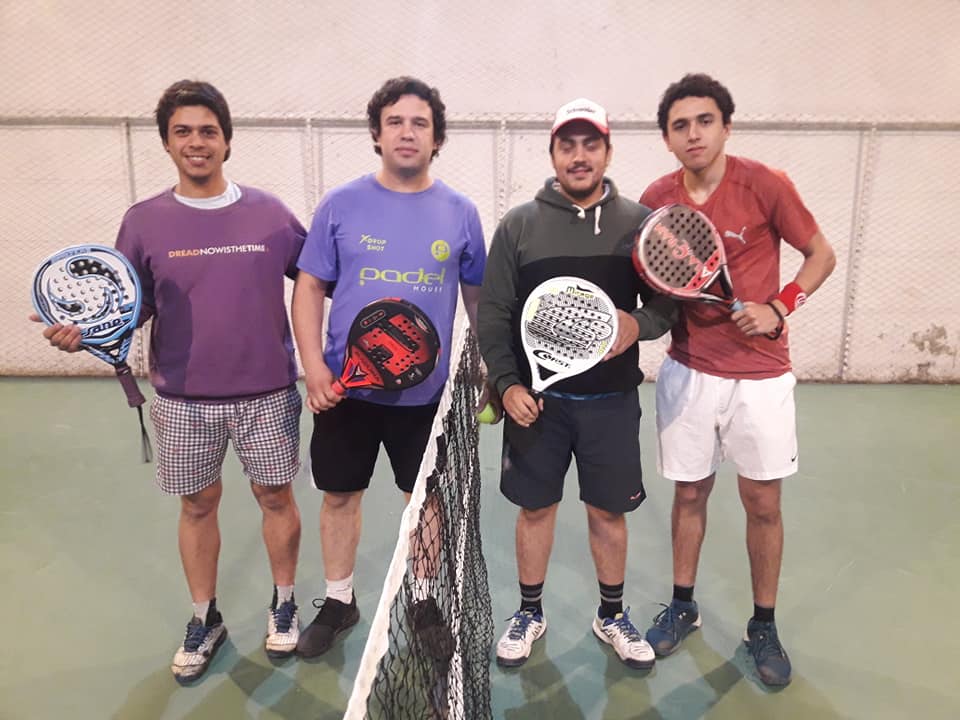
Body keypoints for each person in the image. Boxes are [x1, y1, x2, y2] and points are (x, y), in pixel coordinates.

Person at [33, 80, 307, 682]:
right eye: (182, 131)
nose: (196, 142)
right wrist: (83, 332)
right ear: (166, 142)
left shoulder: (270, 213)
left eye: (208, 130)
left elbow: (317, 277)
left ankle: (284, 603)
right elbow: (126, 306)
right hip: (182, 397)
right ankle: (205, 618)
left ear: (227, 141)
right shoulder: (143, 222)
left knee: (276, 498)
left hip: (267, 392)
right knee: (197, 505)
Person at [639, 73, 836, 687]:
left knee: (763, 503)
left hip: (762, 377)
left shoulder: (764, 184)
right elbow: (653, 279)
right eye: (680, 126)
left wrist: (780, 306)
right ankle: (683, 605)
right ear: (667, 139)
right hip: (690, 370)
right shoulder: (657, 200)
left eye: (705, 121)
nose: (693, 134)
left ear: (726, 126)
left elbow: (822, 255)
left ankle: (763, 625)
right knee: (689, 494)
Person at [477, 98, 677, 669]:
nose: (580, 155)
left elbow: (667, 303)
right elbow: (495, 311)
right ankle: (529, 612)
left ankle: (611, 614)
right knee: (535, 509)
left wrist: (640, 323)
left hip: (611, 402)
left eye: (591, 144)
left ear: (608, 153)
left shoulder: (639, 224)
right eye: (568, 145)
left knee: (607, 513)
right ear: (553, 155)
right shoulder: (519, 225)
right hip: (538, 405)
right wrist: (508, 384)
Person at [291, 76, 486, 659]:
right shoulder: (340, 205)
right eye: (395, 122)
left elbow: (478, 300)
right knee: (339, 495)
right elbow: (309, 288)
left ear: (437, 138)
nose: (407, 132)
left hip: (424, 397)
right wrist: (314, 368)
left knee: (424, 500)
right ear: (377, 134)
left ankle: (423, 600)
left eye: (420, 123)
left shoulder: (461, 213)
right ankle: (338, 600)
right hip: (345, 391)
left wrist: (485, 369)